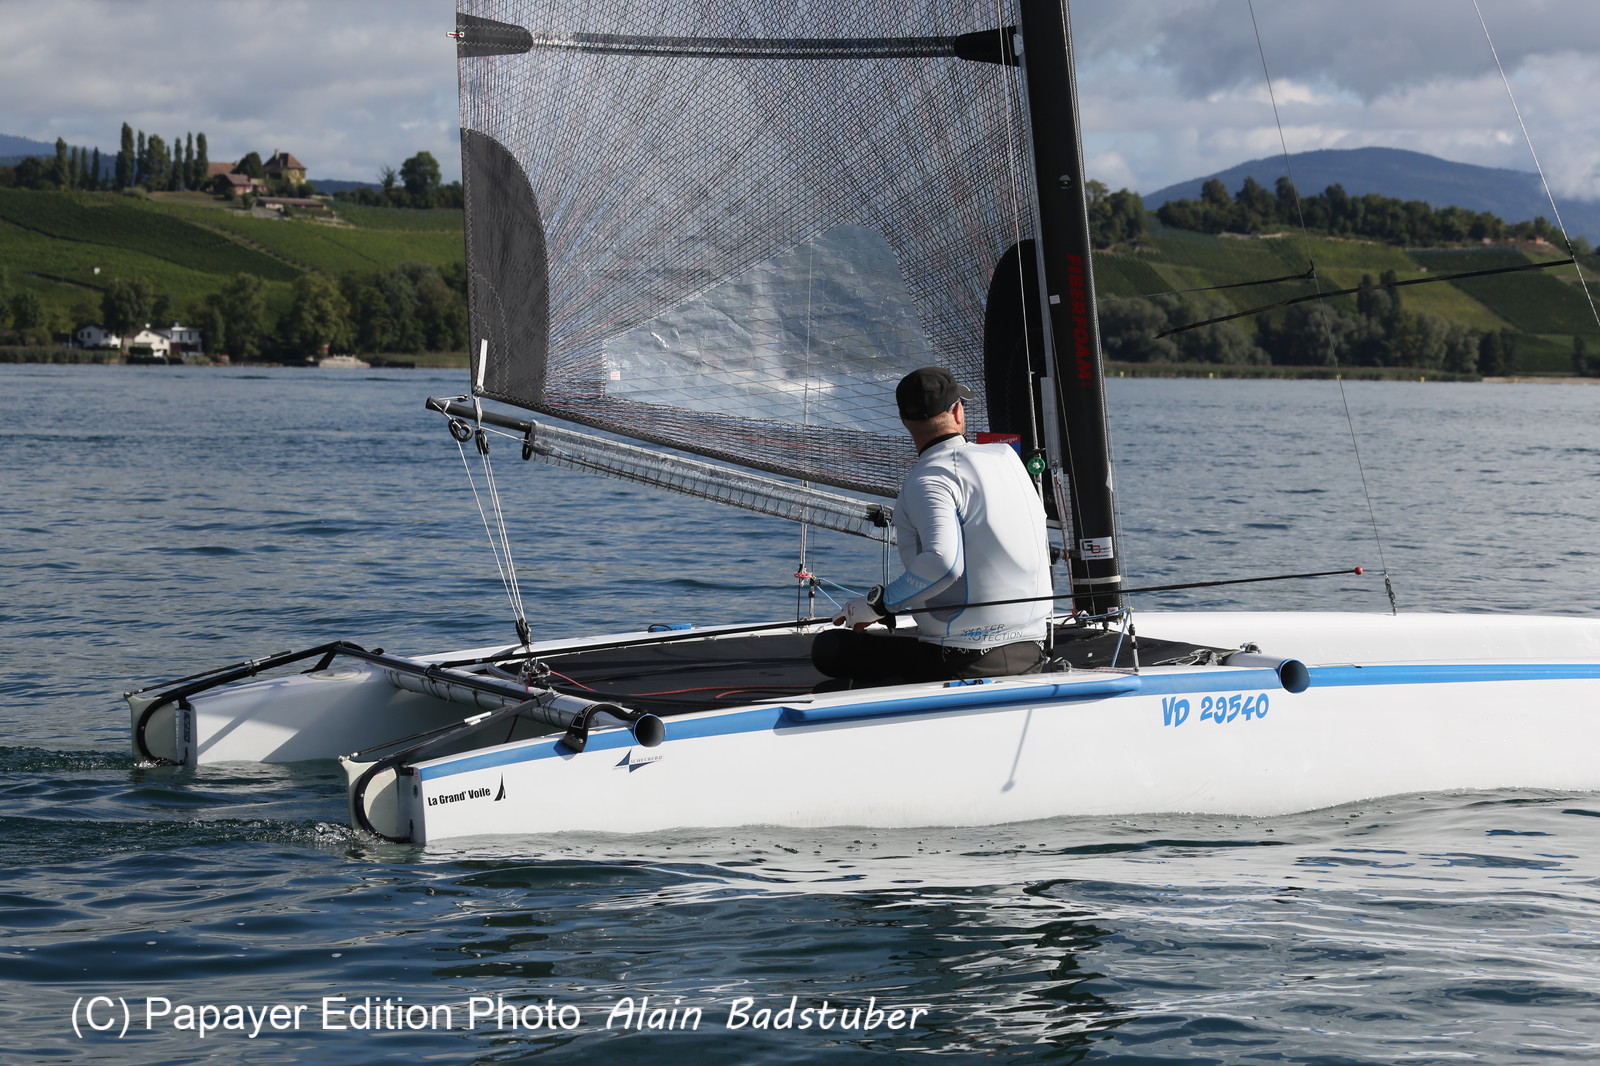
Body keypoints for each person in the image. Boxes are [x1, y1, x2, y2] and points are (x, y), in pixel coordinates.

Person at [811, 366, 1054, 689]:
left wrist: (879, 604)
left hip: (963, 661)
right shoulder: (1007, 457)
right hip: (1034, 651)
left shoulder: (928, 479)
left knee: (829, 650)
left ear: (903, 419)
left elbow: (944, 563)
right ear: (957, 411)